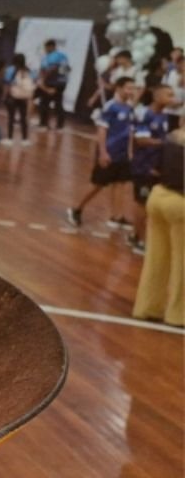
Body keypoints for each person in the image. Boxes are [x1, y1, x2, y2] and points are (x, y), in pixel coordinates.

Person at [67, 77, 138, 228]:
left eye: (133, 88)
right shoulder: (110, 107)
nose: (131, 91)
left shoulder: (130, 108)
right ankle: (76, 209)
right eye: (128, 88)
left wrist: (130, 151)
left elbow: (130, 132)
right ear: (119, 88)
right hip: (110, 152)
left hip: (123, 154)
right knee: (98, 184)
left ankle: (117, 216)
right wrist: (103, 152)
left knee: (120, 184)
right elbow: (102, 130)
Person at [131, 127, 184, 327]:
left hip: (158, 197)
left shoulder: (172, 136)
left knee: (156, 258)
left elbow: (155, 169)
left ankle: (147, 308)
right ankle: (179, 315)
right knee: (182, 262)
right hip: (180, 203)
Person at [128, 86, 176, 252]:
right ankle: (139, 241)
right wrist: (167, 143)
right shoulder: (145, 114)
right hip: (143, 167)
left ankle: (135, 235)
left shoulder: (164, 116)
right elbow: (141, 140)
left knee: (150, 203)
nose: (172, 98)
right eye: (168, 95)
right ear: (156, 96)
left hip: (156, 166)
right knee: (142, 203)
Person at [36, 39, 69, 131]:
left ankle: (44, 124)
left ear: (51, 46)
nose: (45, 50)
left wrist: (43, 79)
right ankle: (59, 125)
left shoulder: (54, 56)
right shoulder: (62, 56)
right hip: (61, 83)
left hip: (53, 83)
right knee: (57, 103)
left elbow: (52, 68)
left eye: (46, 48)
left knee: (45, 103)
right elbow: (67, 70)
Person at [4, 53, 36, 146]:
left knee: (11, 118)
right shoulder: (28, 71)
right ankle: (25, 139)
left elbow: (7, 84)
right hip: (24, 98)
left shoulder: (10, 70)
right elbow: (33, 82)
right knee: (23, 118)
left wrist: (5, 96)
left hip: (12, 97)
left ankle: (9, 139)